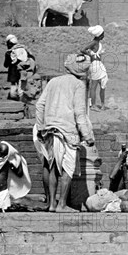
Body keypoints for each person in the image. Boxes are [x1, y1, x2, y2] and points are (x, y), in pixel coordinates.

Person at [33, 53, 95, 212]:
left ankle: (52, 204)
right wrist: (87, 136)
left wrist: (41, 127)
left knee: (52, 166)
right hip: (68, 133)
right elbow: (79, 113)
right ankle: (62, 205)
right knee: (67, 170)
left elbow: (39, 105)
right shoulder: (79, 85)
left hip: (50, 131)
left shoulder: (53, 81)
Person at [0, 141, 31, 212]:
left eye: (5, 154)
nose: (3, 156)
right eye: (2, 154)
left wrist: (18, 158)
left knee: (5, 219)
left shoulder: (7, 161)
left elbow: (19, 174)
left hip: (4, 194)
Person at [81, 25, 109, 111]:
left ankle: (102, 104)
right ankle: (93, 105)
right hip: (95, 65)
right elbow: (83, 49)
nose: (104, 35)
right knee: (94, 86)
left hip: (99, 65)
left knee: (103, 84)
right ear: (100, 35)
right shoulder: (94, 42)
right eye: (103, 33)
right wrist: (91, 55)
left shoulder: (98, 43)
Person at [3, 34, 37, 101]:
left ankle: (17, 103)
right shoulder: (23, 49)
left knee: (13, 91)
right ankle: (21, 103)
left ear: (9, 43)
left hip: (13, 73)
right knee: (21, 89)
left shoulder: (9, 53)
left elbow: (5, 65)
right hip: (23, 72)